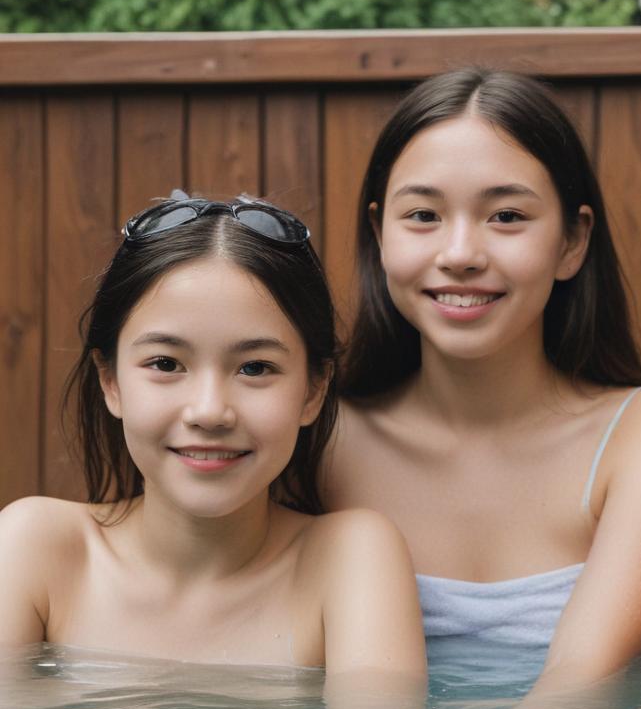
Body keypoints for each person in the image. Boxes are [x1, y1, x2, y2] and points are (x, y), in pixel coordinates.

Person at [323, 68, 641, 694]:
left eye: (506, 216)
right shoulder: (318, 439)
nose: (459, 253)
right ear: (379, 237)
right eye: (423, 215)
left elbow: (578, 694)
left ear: (573, 241)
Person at [0, 193, 425, 676]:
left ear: (313, 390)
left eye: (255, 367)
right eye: (165, 363)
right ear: (110, 381)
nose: (209, 412)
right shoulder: (36, 550)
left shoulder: (349, 561)